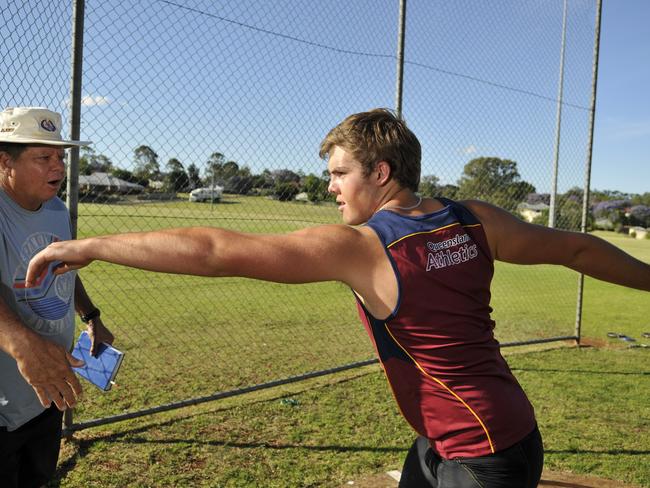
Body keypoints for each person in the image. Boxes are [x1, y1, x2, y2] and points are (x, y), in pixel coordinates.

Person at [25, 108, 649, 488]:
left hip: (481, 455)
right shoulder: (474, 217)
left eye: (339, 172)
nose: (331, 187)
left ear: (380, 172)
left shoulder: (365, 246)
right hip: (470, 434)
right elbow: (577, 248)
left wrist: (93, 246)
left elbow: (214, 250)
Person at [0, 106, 114, 488]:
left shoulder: (56, 209)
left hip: (49, 386)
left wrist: (91, 315)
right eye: (43, 157)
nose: (58, 167)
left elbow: (63, 269)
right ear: (5, 161)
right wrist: (21, 344)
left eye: (61, 157)